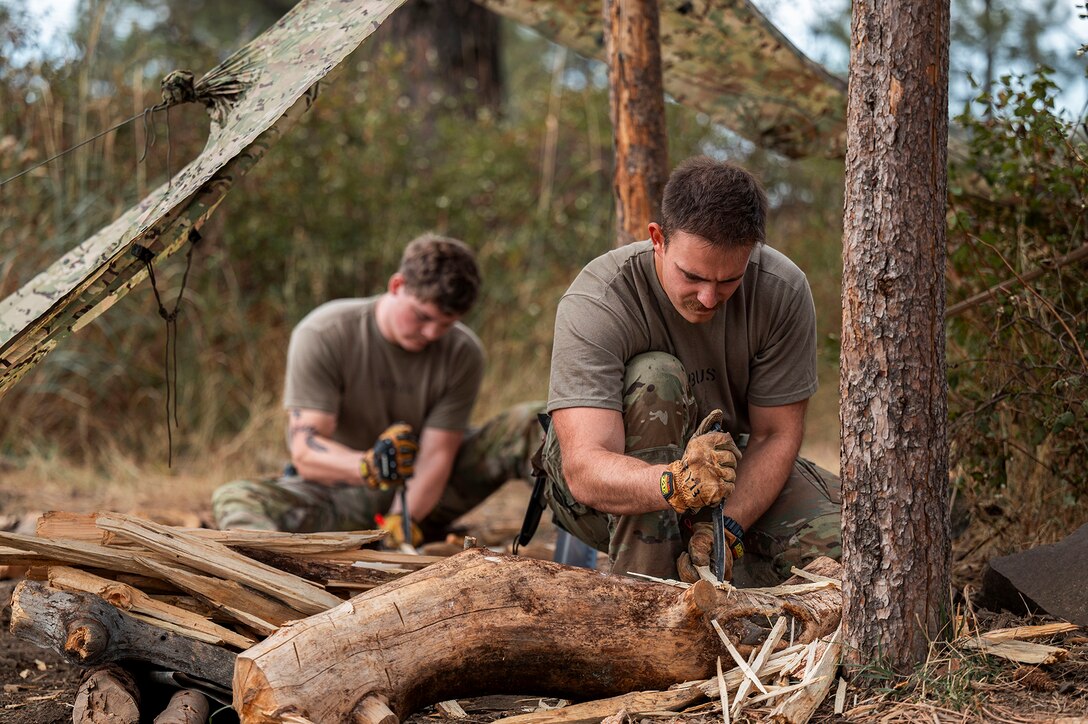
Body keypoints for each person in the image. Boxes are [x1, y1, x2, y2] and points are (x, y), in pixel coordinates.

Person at [541, 156, 841, 585]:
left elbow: (775, 435)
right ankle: (645, 601)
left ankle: (715, 573)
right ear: (658, 239)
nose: (707, 297)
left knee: (848, 546)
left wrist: (727, 532)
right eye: (693, 276)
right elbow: (586, 469)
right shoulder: (597, 301)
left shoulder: (782, 290)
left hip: (726, 478)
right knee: (656, 376)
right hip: (602, 496)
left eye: (728, 281)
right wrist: (674, 485)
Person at [211, 233, 542, 545]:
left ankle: (580, 542)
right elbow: (306, 451)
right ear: (397, 285)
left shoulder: (463, 353)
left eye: (446, 324)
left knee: (534, 421)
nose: (431, 333)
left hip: (429, 494)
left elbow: (437, 454)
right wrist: (368, 466)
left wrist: (402, 521)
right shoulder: (325, 333)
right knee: (235, 497)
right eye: (421, 316)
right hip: (341, 493)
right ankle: (279, 574)